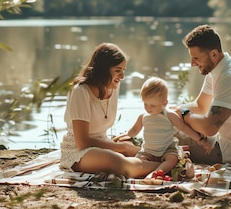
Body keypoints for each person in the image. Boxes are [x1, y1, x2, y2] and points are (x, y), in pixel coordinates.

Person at [59, 43, 159, 178]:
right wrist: (122, 148)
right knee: (116, 161)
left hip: (103, 144)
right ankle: (169, 168)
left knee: (133, 146)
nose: (122, 76)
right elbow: (82, 142)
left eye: (123, 70)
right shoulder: (80, 91)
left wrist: (125, 146)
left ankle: (165, 161)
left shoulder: (113, 87)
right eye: (118, 70)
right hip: (78, 152)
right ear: (103, 69)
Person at [175, 24, 231, 164]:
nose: (192, 64)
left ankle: (136, 158)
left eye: (197, 58)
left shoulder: (229, 78)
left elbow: (209, 128)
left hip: (230, 152)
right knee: (168, 123)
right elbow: (200, 105)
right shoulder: (216, 69)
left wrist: (184, 114)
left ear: (214, 54)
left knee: (164, 139)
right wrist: (173, 110)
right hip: (222, 143)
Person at [114, 77, 212, 179]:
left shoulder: (169, 115)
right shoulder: (143, 117)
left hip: (167, 150)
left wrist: (200, 139)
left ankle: (156, 172)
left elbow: (184, 127)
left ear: (164, 103)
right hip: (149, 151)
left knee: (172, 159)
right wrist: (125, 135)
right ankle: (151, 169)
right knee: (140, 160)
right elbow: (134, 130)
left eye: (152, 105)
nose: (148, 108)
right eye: (145, 104)